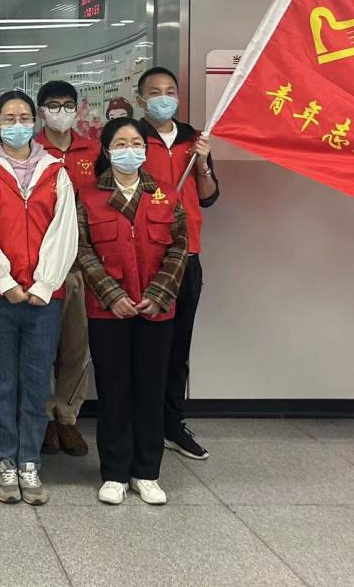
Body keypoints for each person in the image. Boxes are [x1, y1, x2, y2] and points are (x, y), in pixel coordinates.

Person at [0, 90, 77, 506]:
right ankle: (5, 461)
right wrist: (3, 282)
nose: (18, 124)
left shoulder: (57, 171)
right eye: (9, 117)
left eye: (24, 117)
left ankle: (29, 460)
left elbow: (65, 232)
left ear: (35, 121)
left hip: (44, 299)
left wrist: (44, 284)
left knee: (36, 384)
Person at [77, 118, 188, 506]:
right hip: (108, 311)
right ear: (107, 151)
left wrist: (159, 294)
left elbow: (179, 248)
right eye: (121, 143)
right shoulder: (89, 195)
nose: (129, 149)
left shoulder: (166, 194)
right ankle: (114, 472)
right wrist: (111, 295)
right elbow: (83, 249)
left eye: (136, 143)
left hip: (156, 311)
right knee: (113, 390)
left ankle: (147, 471)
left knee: (151, 389)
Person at [136, 67, 220, 461]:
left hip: (187, 256)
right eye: (155, 92)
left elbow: (208, 196)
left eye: (170, 91)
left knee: (177, 348)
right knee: (145, 348)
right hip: (144, 255)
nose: (163, 98)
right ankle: (143, 425)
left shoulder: (194, 139)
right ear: (141, 99)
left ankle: (172, 424)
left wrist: (202, 163)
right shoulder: (131, 139)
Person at [35, 81, 99, 459]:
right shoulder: (30, 150)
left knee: (77, 346)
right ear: (41, 111)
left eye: (67, 105)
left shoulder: (94, 150)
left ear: (78, 109)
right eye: (53, 105)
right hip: (40, 266)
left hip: (82, 266)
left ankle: (67, 418)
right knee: (41, 347)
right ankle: (44, 418)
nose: (61, 112)